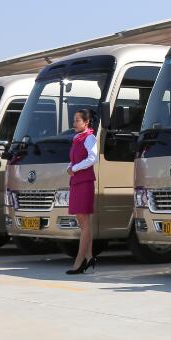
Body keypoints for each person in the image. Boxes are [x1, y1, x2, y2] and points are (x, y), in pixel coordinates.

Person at [65, 109, 98, 274]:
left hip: (84, 182)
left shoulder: (90, 138)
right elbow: (74, 159)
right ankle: (89, 257)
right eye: (74, 120)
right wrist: (70, 167)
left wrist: (75, 168)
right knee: (83, 223)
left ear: (86, 122)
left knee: (84, 223)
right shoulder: (76, 138)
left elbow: (93, 158)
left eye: (77, 120)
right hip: (77, 182)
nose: (74, 123)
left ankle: (79, 261)